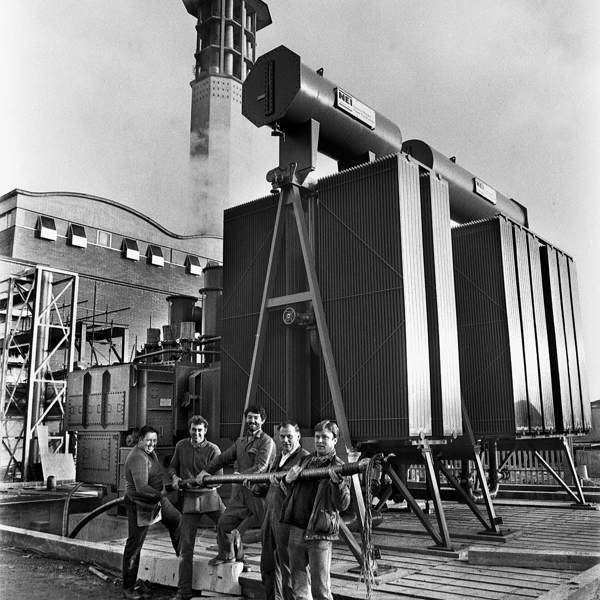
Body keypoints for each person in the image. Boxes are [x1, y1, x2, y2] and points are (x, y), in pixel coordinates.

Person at [281, 420, 350, 600]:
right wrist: (287, 480)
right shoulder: (305, 460)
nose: (319, 441)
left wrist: (338, 483)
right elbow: (289, 491)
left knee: (321, 591)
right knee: (299, 588)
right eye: (317, 437)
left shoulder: (339, 466)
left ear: (334, 440)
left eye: (325, 437)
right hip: (297, 530)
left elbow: (343, 505)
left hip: (319, 533)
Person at [200, 405, 275, 565]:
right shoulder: (240, 442)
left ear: (262, 420)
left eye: (256, 417)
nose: (252, 420)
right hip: (243, 494)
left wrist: (243, 476)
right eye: (249, 417)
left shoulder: (266, 441)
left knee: (270, 532)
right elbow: (222, 459)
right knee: (224, 524)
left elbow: (262, 466)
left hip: (261, 493)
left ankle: (275, 564)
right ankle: (227, 555)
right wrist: (206, 471)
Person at [168, 415, 225, 600]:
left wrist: (204, 483)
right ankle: (183, 591)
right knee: (186, 549)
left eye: (200, 430)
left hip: (210, 498)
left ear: (205, 431)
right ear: (189, 429)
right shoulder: (181, 446)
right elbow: (172, 468)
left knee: (230, 527)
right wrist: (175, 478)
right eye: (194, 429)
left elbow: (220, 480)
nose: (196, 433)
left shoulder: (213, 450)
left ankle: (237, 556)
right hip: (190, 502)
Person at [122, 424, 181, 600]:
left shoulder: (150, 453)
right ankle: (128, 587)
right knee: (134, 545)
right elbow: (141, 488)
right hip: (140, 504)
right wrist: (161, 493)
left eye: (154, 440)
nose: (152, 444)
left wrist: (163, 491)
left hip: (157, 501)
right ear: (140, 440)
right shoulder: (137, 457)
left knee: (178, 521)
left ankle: (184, 566)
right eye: (148, 440)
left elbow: (156, 476)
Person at [259, 421, 310, 600]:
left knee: (288, 568)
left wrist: (284, 483)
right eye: (282, 436)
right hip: (270, 518)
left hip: (287, 521)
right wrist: (255, 487)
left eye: (289, 436)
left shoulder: (305, 458)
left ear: (298, 436)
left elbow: (303, 493)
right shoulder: (277, 457)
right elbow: (268, 487)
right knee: (268, 566)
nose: (286, 440)